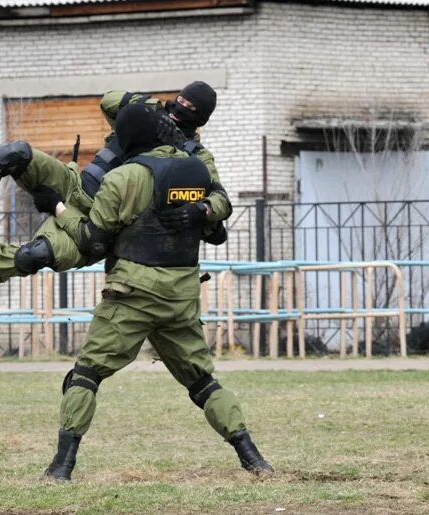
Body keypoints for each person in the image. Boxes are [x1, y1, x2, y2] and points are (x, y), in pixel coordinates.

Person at [40, 103, 273, 481]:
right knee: (202, 380)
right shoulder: (196, 170)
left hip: (131, 292)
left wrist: (58, 208)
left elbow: (94, 241)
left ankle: (60, 467)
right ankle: (254, 459)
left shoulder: (124, 177)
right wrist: (201, 211)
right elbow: (220, 211)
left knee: (86, 375)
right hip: (181, 294)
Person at [0, 82, 230, 282]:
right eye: (179, 101)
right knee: (17, 153)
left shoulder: (194, 156)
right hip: (76, 186)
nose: (178, 109)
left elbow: (221, 201)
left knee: (34, 255)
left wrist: (201, 211)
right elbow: (108, 100)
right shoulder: (145, 118)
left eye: (189, 108)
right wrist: (148, 105)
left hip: (98, 225)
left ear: (200, 119)